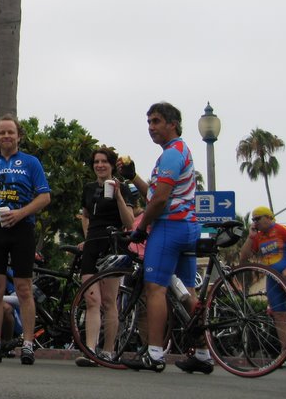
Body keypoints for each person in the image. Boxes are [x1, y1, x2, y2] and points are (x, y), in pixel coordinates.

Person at [123, 102, 201, 372]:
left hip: (170, 226)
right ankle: (203, 354)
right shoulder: (178, 152)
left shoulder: (171, 154)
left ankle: (154, 354)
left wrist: (142, 227)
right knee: (186, 292)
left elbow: (159, 201)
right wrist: (132, 176)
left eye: (156, 121)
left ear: (173, 124)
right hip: (188, 227)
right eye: (149, 123)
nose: (151, 128)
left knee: (155, 288)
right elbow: (152, 193)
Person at [0, 113, 51, 365]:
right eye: (2, 132)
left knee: (24, 288)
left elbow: (44, 197)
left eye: (11, 132)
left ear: (18, 135)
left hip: (22, 229)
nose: (6, 136)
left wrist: (21, 213)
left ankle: (28, 344)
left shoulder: (30, 163)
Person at [74, 146, 136, 366]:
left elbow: (129, 222)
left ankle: (108, 350)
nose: (99, 165)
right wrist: (86, 236)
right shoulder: (89, 189)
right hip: (92, 243)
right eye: (96, 162)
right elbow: (85, 215)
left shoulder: (124, 188)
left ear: (111, 166)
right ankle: (90, 349)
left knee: (109, 301)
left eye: (104, 162)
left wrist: (118, 194)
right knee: (91, 299)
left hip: (114, 245)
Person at [239, 205, 286, 356]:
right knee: (279, 315)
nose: (255, 222)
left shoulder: (281, 230)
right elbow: (243, 258)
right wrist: (250, 237)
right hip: (272, 279)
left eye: (258, 219)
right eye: (253, 219)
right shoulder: (258, 236)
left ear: (268, 218)